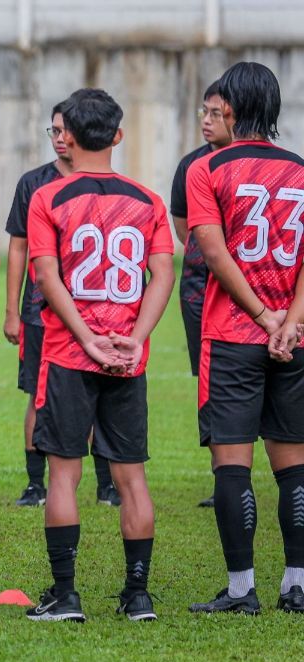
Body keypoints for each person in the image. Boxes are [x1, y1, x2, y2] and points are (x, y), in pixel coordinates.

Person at [24, 88, 175, 623]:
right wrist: (134, 336)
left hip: (70, 353)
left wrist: (87, 337)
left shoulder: (49, 197)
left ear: (67, 135)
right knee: (132, 477)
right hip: (128, 357)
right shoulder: (148, 200)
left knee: (63, 476)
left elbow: (45, 275)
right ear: (117, 135)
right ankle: (138, 596)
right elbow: (163, 275)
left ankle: (65, 595)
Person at [186, 62, 304, 616]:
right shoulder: (302, 170)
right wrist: (288, 321)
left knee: (232, 467)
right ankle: (295, 585)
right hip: (295, 336)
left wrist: (261, 317)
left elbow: (212, 250)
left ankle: (241, 591)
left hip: (234, 334)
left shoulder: (208, 168)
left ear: (232, 106)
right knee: (294, 467)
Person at [3, 103, 72, 508]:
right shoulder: (33, 183)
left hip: (91, 311)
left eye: (66, 130)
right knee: (36, 393)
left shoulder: (99, 184)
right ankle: (35, 483)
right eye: (54, 131)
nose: (60, 138)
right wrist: (12, 310)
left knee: (95, 392)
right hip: (39, 310)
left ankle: (105, 484)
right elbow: (17, 246)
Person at [169, 80, 233, 509]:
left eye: (216, 114)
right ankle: (223, 477)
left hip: (258, 287)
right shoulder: (192, 166)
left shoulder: (250, 164)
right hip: (199, 286)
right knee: (210, 381)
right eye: (203, 113)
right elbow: (181, 224)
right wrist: (208, 256)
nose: (206, 121)